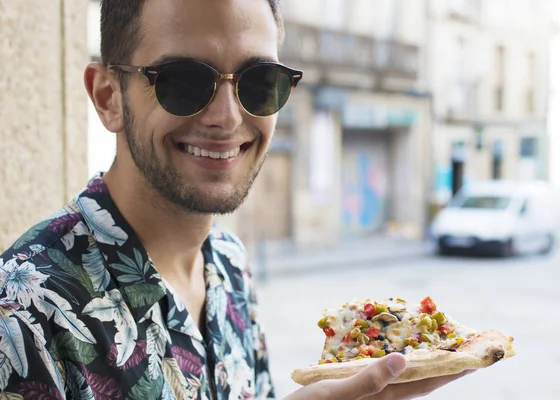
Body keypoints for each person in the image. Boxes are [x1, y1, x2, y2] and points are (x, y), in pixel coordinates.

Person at [0, 0, 471, 398]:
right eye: (183, 80)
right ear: (108, 96)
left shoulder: (229, 262)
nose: (227, 117)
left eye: (260, 82)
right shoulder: (22, 314)